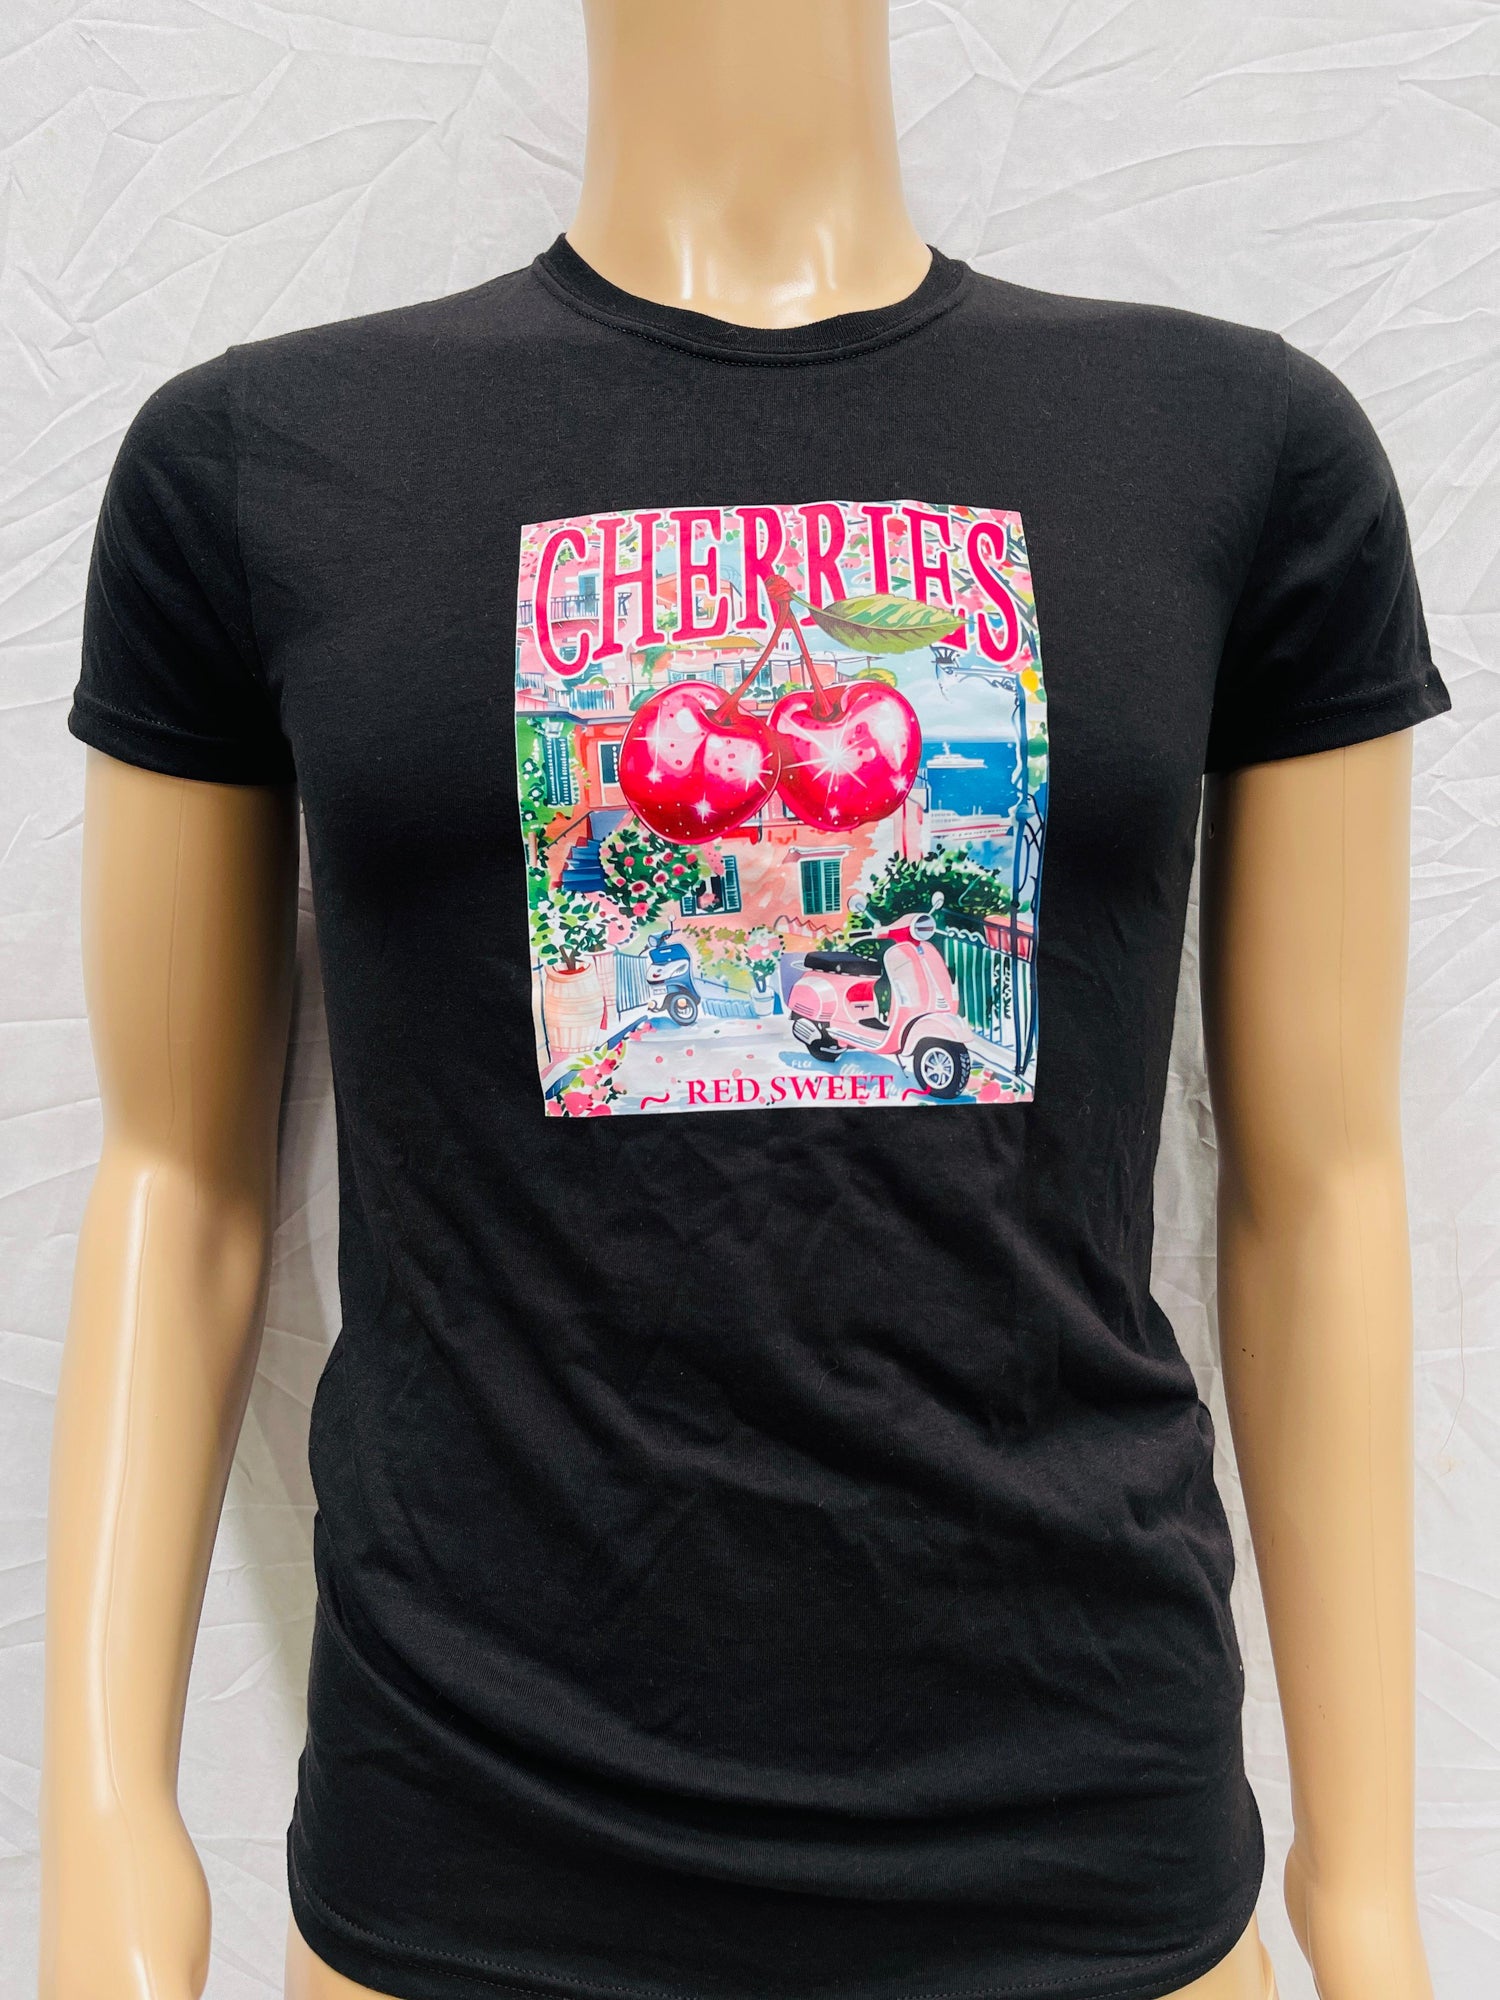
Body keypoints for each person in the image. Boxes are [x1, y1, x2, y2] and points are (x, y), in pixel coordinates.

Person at [41, 4, 1451, 1999]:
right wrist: (107, 1840)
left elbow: (1322, 1189)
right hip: (470, 1868)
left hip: (1082, 1853)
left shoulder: (1237, 448)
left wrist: (1365, 1894)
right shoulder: (261, 465)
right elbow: (179, 1185)